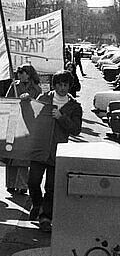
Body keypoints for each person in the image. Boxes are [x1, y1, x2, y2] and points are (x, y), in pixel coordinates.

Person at [28, 70, 82, 233]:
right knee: (33, 182)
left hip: (58, 152)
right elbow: (30, 118)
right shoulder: (44, 99)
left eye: (65, 85)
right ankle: (37, 204)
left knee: (51, 187)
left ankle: (46, 217)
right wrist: (26, 101)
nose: (62, 88)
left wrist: (61, 117)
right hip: (39, 149)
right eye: (59, 84)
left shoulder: (74, 107)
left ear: (69, 86)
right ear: (54, 85)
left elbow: (75, 130)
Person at [3, 64, 42, 195]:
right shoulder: (14, 85)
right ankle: (10, 183)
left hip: (28, 123)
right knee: (11, 156)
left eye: (22, 72)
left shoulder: (36, 88)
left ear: (29, 74)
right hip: (14, 121)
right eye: (18, 72)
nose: (19, 74)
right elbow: (7, 101)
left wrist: (29, 100)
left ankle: (22, 185)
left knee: (24, 157)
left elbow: (39, 104)